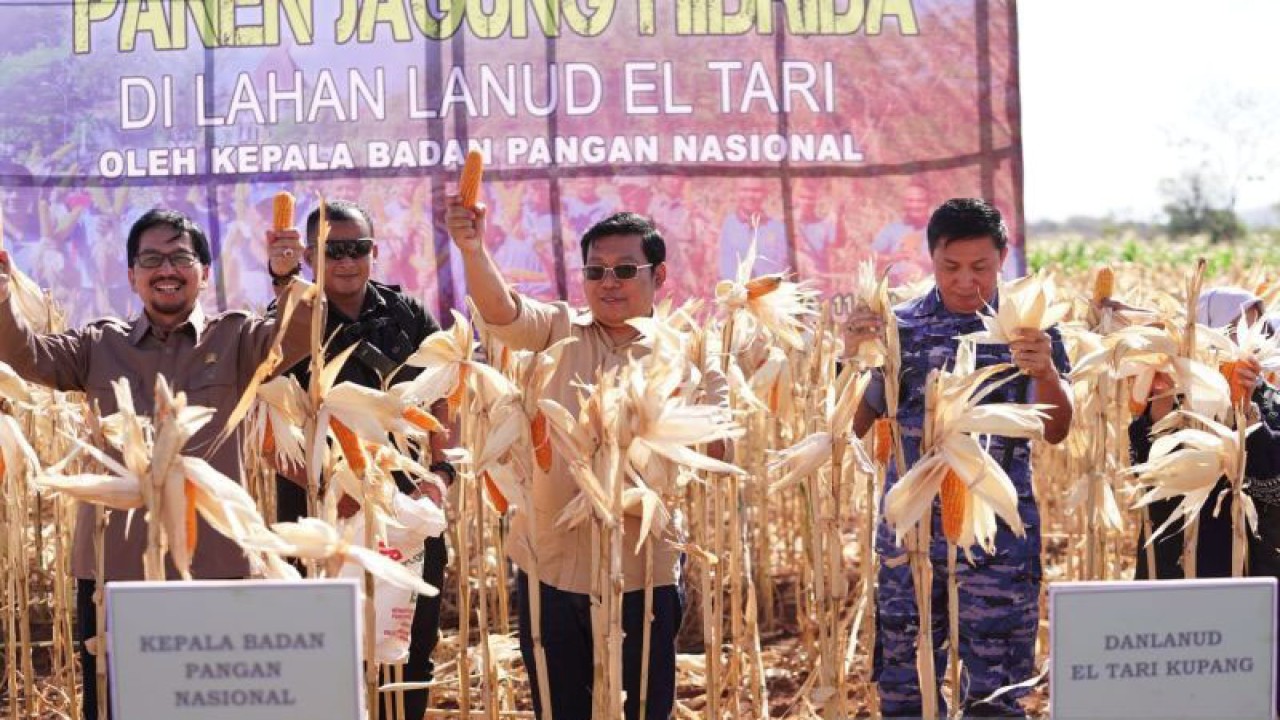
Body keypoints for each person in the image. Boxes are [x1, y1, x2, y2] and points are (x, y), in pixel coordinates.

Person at [0, 208, 316, 719]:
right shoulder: (99, 345)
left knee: (211, 706)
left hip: (214, 564)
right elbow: (26, 356)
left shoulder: (235, 339)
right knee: (114, 703)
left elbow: (297, 339)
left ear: (205, 272)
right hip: (115, 568)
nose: (166, 269)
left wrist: (287, 278)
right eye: (151, 259)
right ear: (131, 275)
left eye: (180, 258)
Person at [446, 202, 723, 719]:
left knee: (645, 707)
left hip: (643, 571)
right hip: (549, 563)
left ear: (658, 275)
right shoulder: (558, 329)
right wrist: (473, 248)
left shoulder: (690, 352)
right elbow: (503, 313)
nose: (608, 283)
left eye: (624, 270)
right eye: (595, 271)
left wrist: (663, 413)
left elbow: (719, 447)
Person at [845, 198, 1073, 717]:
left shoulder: (1030, 331)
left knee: (995, 693)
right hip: (912, 538)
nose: (966, 281)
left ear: (1002, 258)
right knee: (906, 687)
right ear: (932, 258)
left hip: (998, 540)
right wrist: (853, 356)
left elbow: (1057, 429)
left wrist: (1047, 374)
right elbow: (853, 429)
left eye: (980, 268)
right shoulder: (901, 328)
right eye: (951, 268)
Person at [270, 199, 451, 720]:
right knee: (322, 646)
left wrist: (440, 476)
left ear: (374, 251)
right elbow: (270, 422)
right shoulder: (286, 318)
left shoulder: (406, 314)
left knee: (411, 643)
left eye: (359, 249)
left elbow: (445, 395)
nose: (347, 261)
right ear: (309, 255)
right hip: (319, 512)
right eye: (333, 251)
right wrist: (333, 487)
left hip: (404, 511)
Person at [718, 177, 788, 280]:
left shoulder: (778, 229)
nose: (750, 195)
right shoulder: (724, 225)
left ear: (765, 193)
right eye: (745, 190)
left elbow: (783, 269)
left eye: (756, 190)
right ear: (736, 192)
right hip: (734, 293)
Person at [870, 179, 932, 286]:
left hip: (928, 292)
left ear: (928, 203)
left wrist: (920, 260)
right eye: (910, 201)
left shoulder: (940, 231)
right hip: (894, 290)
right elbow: (869, 257)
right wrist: (892, 257)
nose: (915, 205)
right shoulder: (892, 229)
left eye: (920, 201)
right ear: (904, 203)